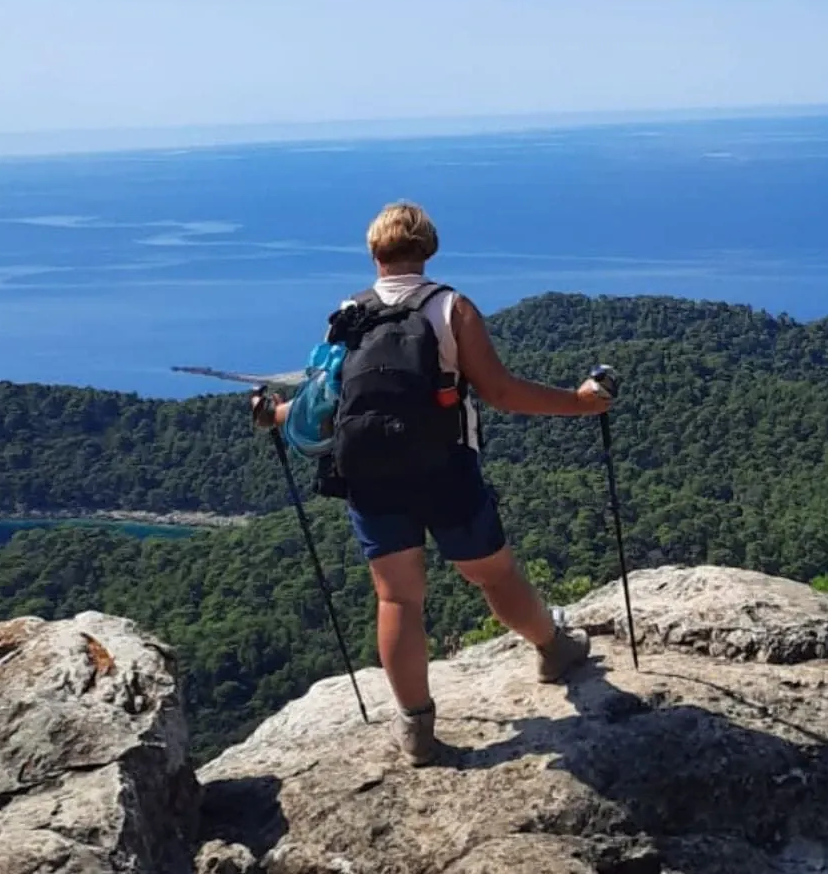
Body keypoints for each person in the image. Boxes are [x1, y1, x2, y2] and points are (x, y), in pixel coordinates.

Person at [251, 199, 613, 766]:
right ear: (429, 249)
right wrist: (581, 403)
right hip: (445, 467)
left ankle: (415, 729)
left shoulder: (346, 315)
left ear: (374, 252)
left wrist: (274, 415)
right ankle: (553, 649)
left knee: (397, 597)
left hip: (369, 474)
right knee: (492, 574)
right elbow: (500, 391)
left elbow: (325, 407)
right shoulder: (450, 307)